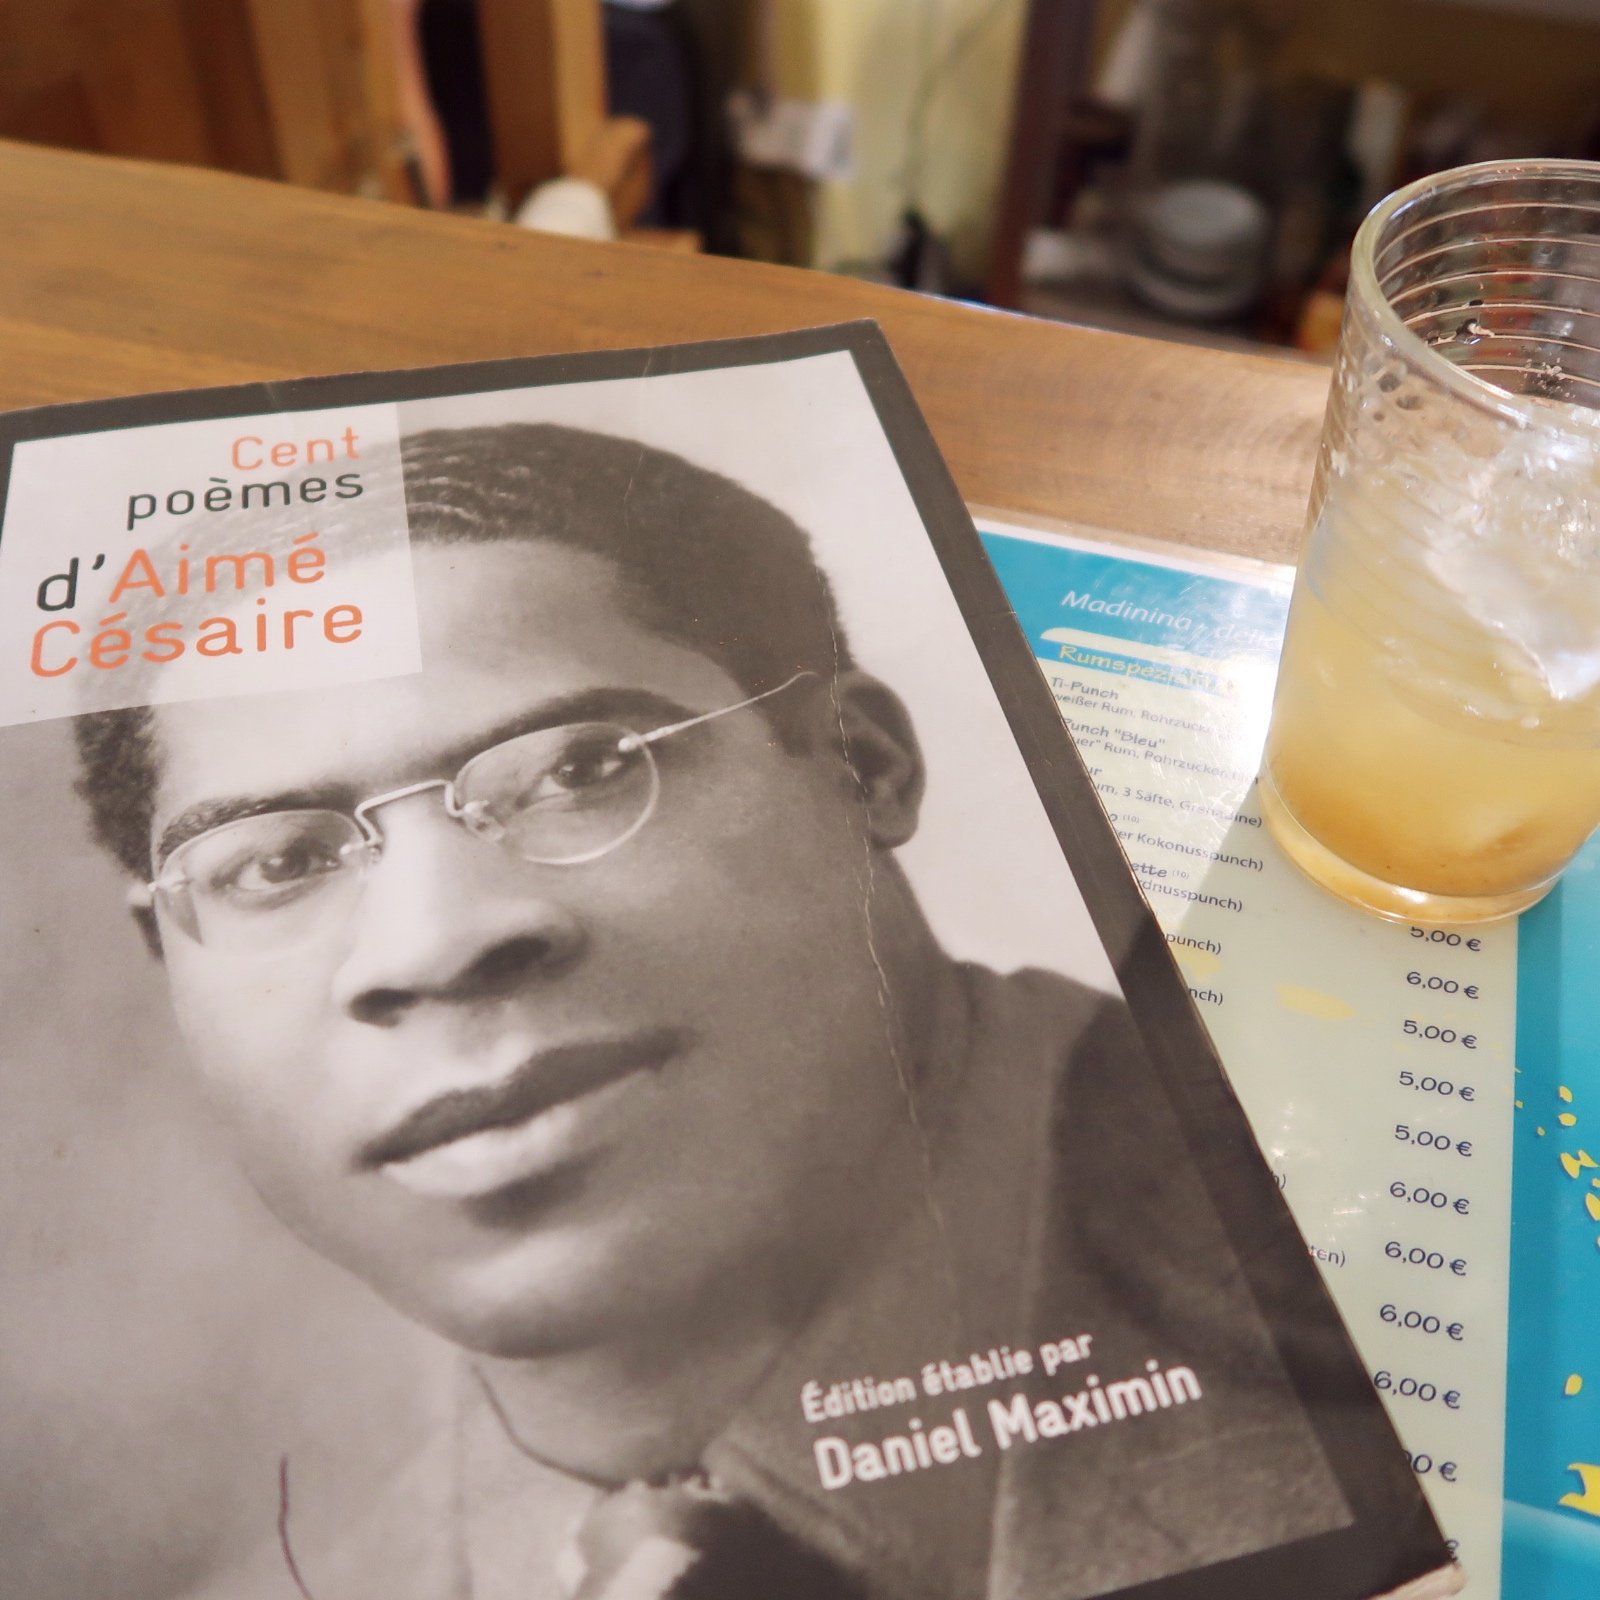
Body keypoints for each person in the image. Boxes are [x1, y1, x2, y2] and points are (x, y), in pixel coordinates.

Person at [70, 424, 1345, 1600]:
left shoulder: (1357, 1276)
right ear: (165, 954)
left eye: (579, 769)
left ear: (861, 764)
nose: (434, 943)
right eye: (275, 863)